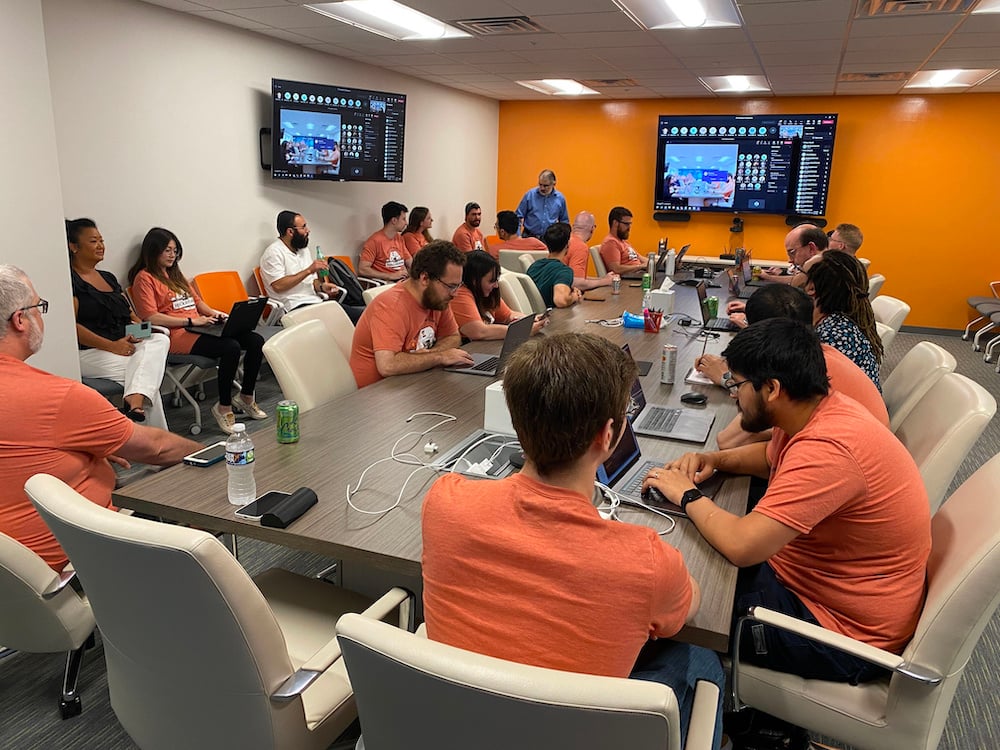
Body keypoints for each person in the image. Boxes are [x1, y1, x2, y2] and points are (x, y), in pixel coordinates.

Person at [422, 333, 724, 749]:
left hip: (457, 724)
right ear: (607, 436)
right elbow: (690, 605)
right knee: (703, 658)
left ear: (517, 422)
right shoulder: (648, 561)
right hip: (573, 733)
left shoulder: (444, 501)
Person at [644, 318, 930, 684]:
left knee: (667, 601)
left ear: (772, 388)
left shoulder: (831, 450)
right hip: (815, 587)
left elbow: (743, 546)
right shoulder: (817, 409)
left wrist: (685, 493)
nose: (733, 394)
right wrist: (713, 461)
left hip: (836, 635)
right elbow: (770, 458)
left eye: (739, 384)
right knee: (685, 567)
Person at [0, 265, 201, 572]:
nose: (42, 315)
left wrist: (91, 449)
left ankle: (134, 403)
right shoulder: (58, 397)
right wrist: (211, 453)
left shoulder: (109, 280)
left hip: (13, 582)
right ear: (20, 320)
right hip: (78, 565)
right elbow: (157, 449)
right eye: (39, 307)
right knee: (188, 494)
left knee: (153, 345)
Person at [694, 284, 889, 449]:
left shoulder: (799, 367)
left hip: (843, 451)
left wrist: (730, 380)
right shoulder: (820, 352)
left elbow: (729, 441)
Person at [129, 227, 268, 435]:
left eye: (175, 251)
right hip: (175, 335)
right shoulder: (144, 278)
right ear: (153, 250)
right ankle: (224, 407)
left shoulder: (176, 275)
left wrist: (216, 314)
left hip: (199, 326)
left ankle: (246, 398)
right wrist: (190, 321)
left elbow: (197, 302)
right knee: (230, 347)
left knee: (255, 340)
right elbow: (150, 317)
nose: (172, 255)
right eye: (167, 250)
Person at [66, 218, 169, 429]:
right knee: (144, 380)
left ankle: (136, 404)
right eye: (94, 241)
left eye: (102, 240)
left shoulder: (109, 278)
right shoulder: (70, 281)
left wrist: (138, 331)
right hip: (89, 352)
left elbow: (130, 315)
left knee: (159, 339)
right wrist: (112, 346)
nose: (101, 245)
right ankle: (157, 445)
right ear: (74, 247)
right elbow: (71, 328)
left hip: (124, 343)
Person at [349, 241, 474, 388]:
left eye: (458, 285)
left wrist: (429, 354)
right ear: (425, 279)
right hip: (377, 393)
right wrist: (440, 356)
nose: (455, 293)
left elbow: (453, 337)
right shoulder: (391, 306)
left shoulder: (437, 299)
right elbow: (388, 365)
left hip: (412, 384)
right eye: (451, 286)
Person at [259, 210, 364, 323]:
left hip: (315, 301)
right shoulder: (273, 253)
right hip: (293, 307)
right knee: (343, 321)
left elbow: (311, 282)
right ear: (290, 232)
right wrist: (309, 270)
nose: (308, 230)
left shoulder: (303, 250)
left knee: (364, 315)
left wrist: (322, 287)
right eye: (303, 227)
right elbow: (278, 286)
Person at [806, 251, 883, 390]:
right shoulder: (842, 323)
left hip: (849, 409)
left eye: (802, 273)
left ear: (811, 287)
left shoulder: (834, 337)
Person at [449, 250, 545, 341]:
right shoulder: (460, 294)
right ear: (474, 281)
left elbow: (509, 315)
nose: (496, 285)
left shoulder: (487, 294)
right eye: (491, 281)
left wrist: (530, 321)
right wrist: (523, 331)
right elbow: (478, 331)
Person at [526, 223, 583, 308]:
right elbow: (560, 300)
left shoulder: (534, 266)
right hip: (552, 318)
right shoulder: (564, 271)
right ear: (567, 245)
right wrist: (574, 297)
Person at [759, 223, 827, 287]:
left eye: (792, 253)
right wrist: (772, 277)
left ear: (811, 248)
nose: (790, 260)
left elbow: (799, 280)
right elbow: (797, 279)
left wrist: (769, 278)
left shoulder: (825, 276)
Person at [565, 210, 617, 291]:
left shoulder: (565, 241)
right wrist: (605, 282)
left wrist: (602, 279)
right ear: (592, 229)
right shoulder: (580, 247)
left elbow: (575, 277)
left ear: (573, 226)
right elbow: (578, 284)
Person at [360, 201, 412, 282]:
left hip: (402, 280)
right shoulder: (374, 241)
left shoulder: (399, 238)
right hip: (387, 283)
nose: (406, 223)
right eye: (403, 219)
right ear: (394, 220)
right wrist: (390, 276)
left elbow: (409, 261)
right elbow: (363, 269)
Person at [515, 169, 569, 238]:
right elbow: (517, 216)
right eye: (540, 184)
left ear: (554, 184)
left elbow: (564, 222)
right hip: (529, 236)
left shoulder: (560, 198)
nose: (542, 188)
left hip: (549, 239)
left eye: (546, 185)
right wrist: (518, 235)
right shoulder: (530, 195)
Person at [599, 206, 643, 275]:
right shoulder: (610, 242)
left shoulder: (623, 242)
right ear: (615, 223)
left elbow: (640, 258)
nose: (629, 228)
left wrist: (653, 263)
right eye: (626, 224)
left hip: (637, 275)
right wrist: (640, 267)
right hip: (627, 281)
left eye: (630, 224)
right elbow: (616, 269)